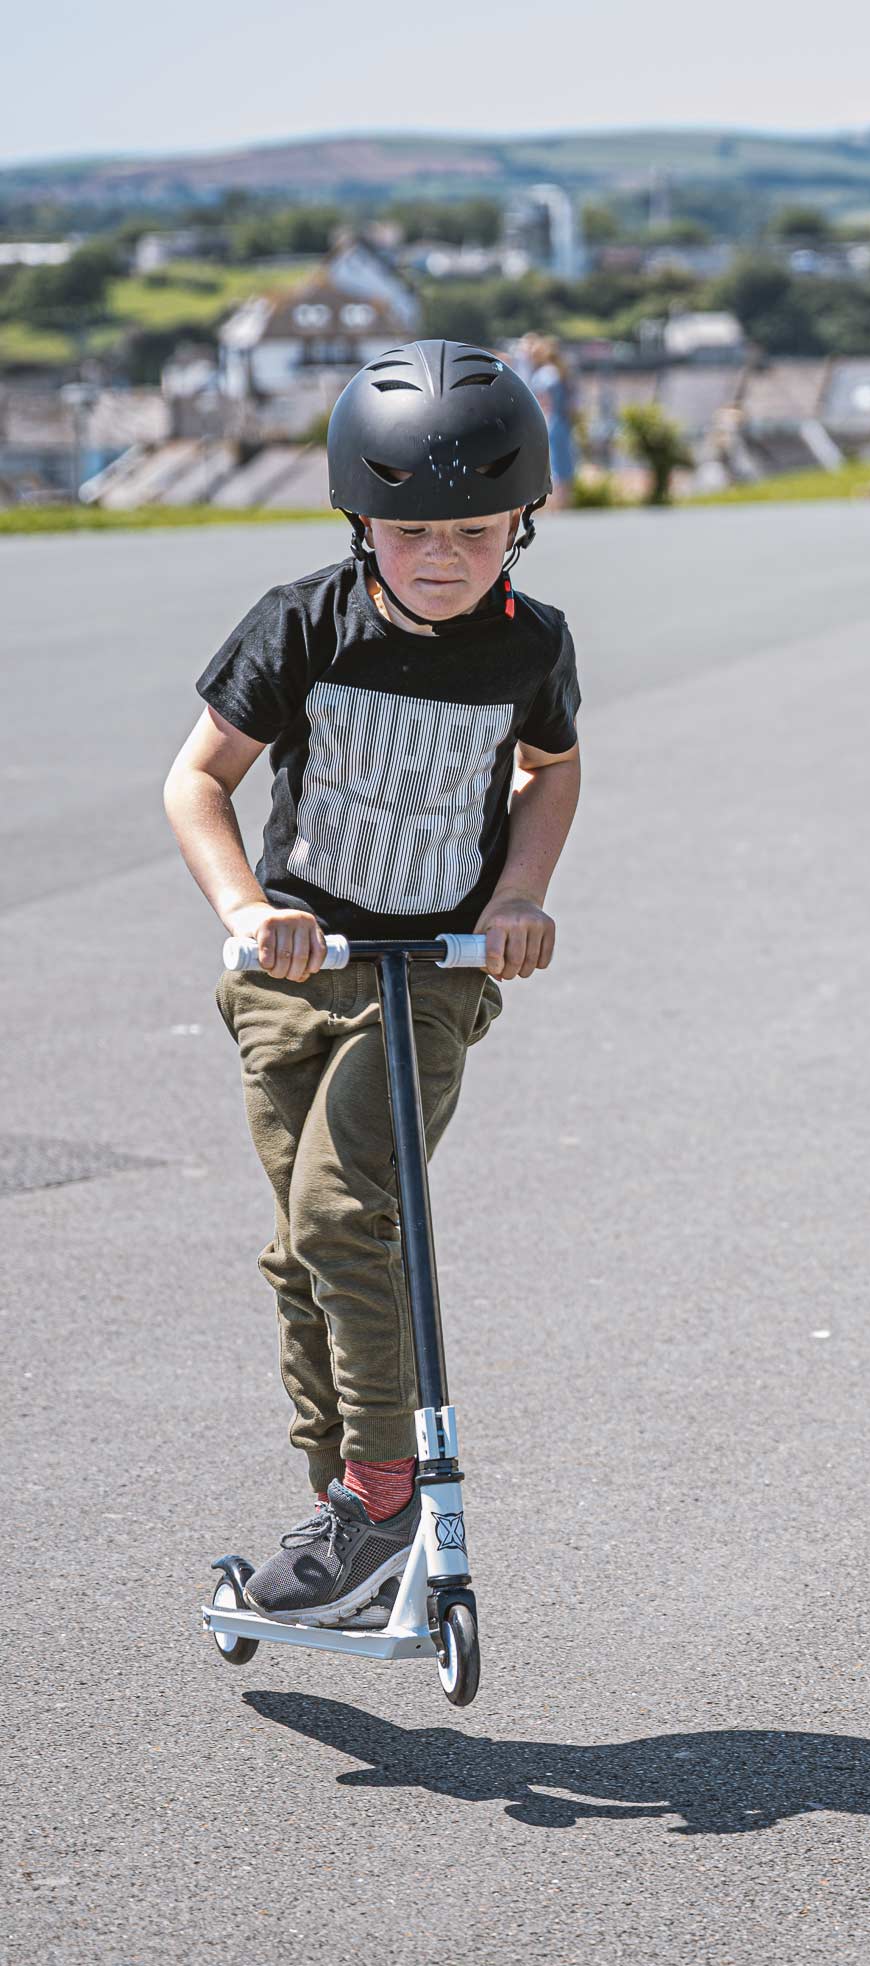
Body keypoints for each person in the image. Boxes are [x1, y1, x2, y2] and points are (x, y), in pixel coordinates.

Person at [163, 341, 582, 1626]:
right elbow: (197, 782)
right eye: (409, 530)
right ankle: (351, 1508)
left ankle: (387, 1503)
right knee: (301, 1249)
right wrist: (250, 909)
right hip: (299, 975)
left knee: (349, 1211)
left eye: (472, 527)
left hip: (433, 976)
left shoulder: (529, 645)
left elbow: (551, 770)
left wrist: (516, 896)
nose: (441, 553)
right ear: (360, 521)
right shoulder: (300, 623)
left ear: (522, 524)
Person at [526, 333, 578, 492]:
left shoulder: (545, 374)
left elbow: (542, 401)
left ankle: (555, 505)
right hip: (562, 421)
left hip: (550, 422)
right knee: (565, 466)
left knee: (553, 466)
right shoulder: (560, 372)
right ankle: (564, 502)